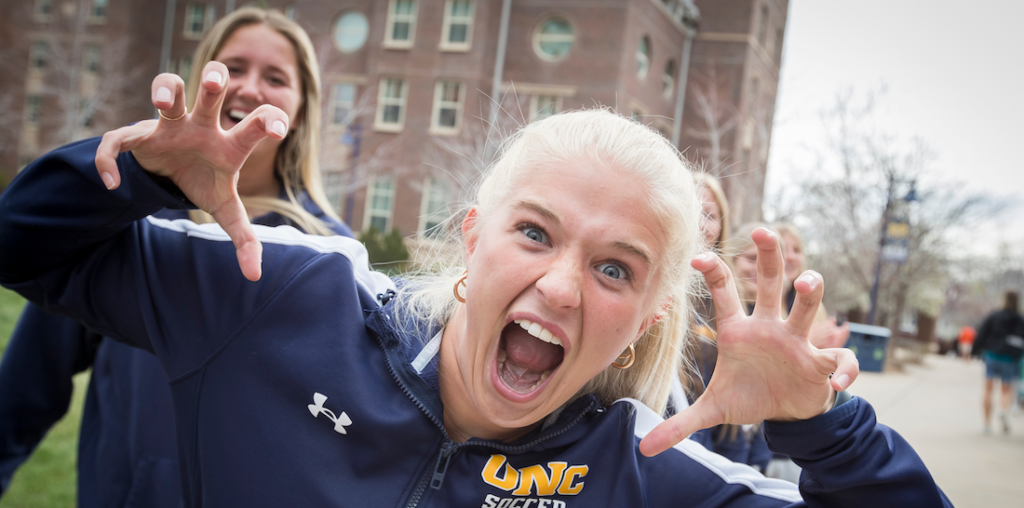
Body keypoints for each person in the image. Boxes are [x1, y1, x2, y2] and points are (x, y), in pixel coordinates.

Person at [0, 90, 952, 507]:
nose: (559, 284)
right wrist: (135, 177)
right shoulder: (287, 295)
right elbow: (27, 248)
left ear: (649, 321)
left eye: (615, 269)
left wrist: (825, 429)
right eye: (534, 233)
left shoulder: (647, 476)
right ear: (472, 237)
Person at [0, 8, 350, 506]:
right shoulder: (129, 221)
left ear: (301, 111)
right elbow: (28, 378)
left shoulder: (330, 259)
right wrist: (142, 180)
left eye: (275, 78)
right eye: (233, 68)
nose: (250, 89)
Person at [772, 223, 850, 350]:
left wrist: (831, 347)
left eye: (796, 250)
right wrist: (804, 343)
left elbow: (819, 362)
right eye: (783, 249)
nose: (791, 257)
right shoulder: (753, 302)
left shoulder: (814, 303)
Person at [973, 291, 1024, 435]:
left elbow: (982, 333)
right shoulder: (1020, 320)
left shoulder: (994, 315)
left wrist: (975, 350)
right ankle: (1003, 410)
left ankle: (986, 425)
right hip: (1010, 358)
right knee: (1006, 389)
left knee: (988, 390)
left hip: (992, 354)